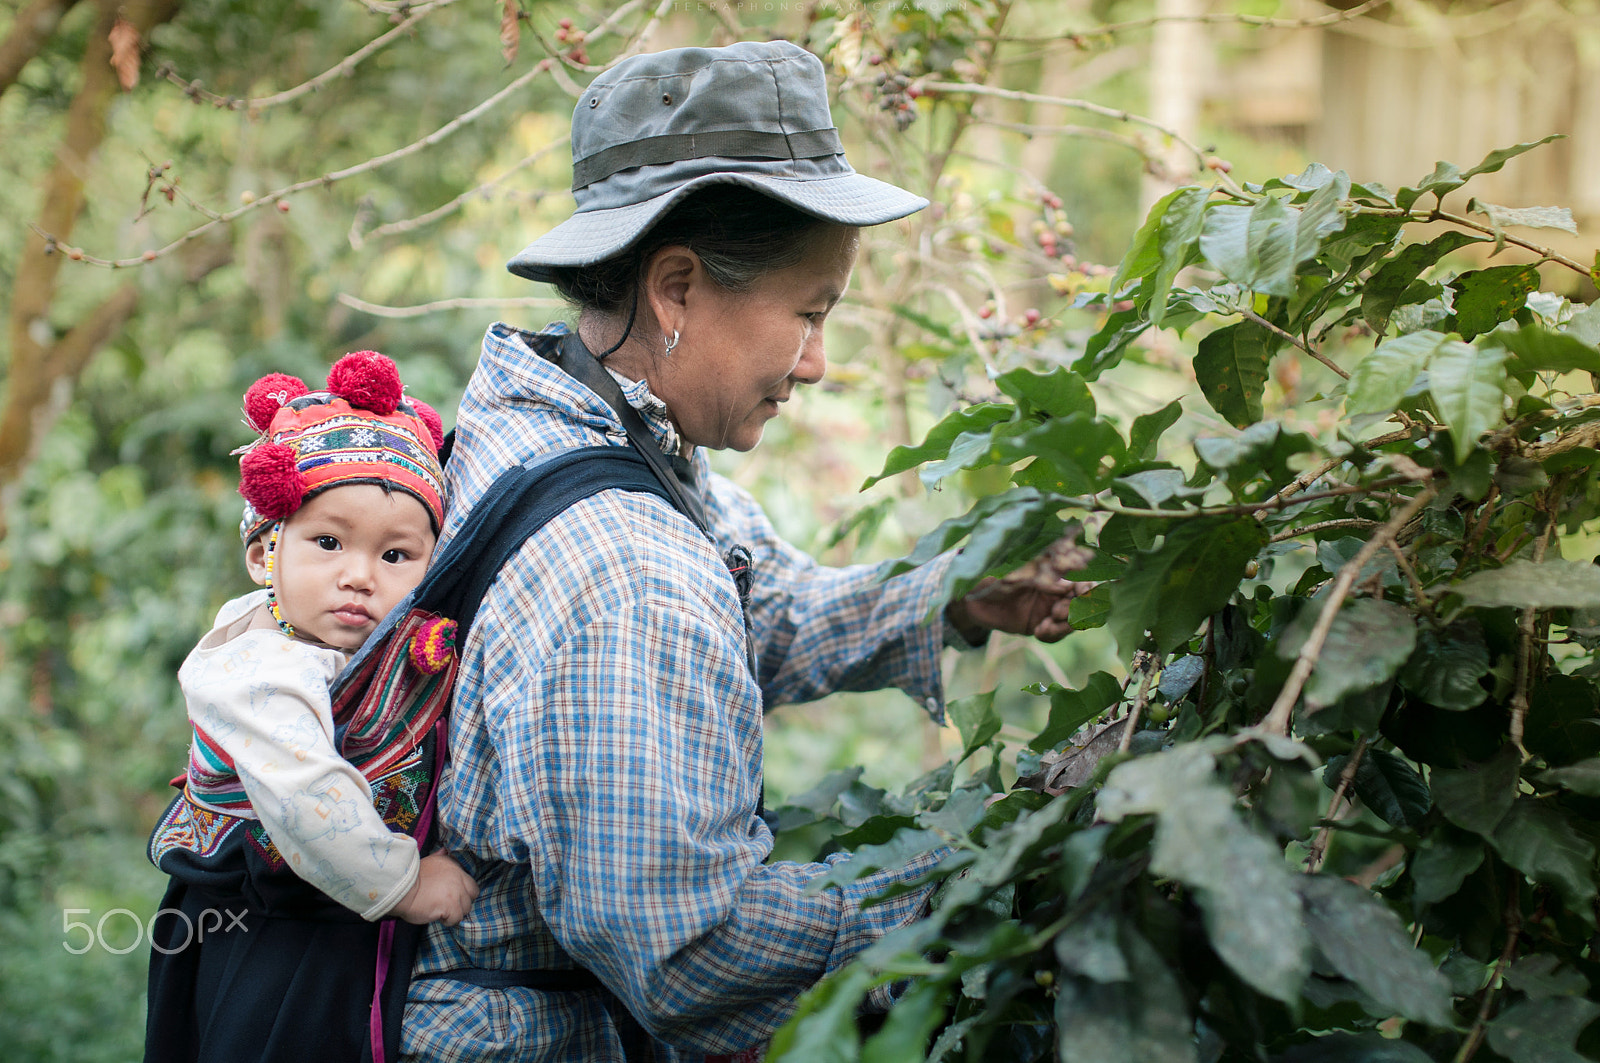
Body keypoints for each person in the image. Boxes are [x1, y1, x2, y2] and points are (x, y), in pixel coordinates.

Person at [399, 41, 1085, 1062]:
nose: (816, 362)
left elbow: (748, 606)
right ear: (674, 288)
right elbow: (689, 949)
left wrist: (955, 595)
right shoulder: (624, 569)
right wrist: (971, 880)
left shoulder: (558, 417)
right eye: (809, 313)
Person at [145, 352, 480, 1063]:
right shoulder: (261, 668)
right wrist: (410, 883)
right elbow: (307, 797)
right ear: (266, 554)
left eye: (396, 555)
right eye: (327, 542)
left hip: (325, 920)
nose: (358, 575)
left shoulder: (335, 644)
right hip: (264, 931)